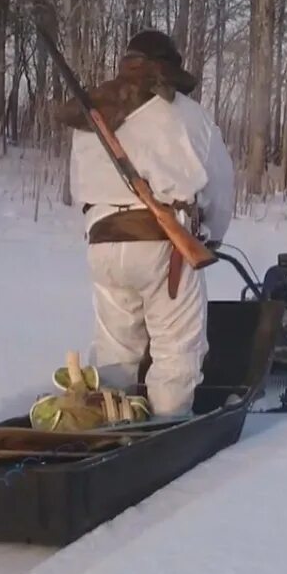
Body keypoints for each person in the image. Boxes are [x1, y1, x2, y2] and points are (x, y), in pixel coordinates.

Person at [53, 29, 235, 420]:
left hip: (101, 242)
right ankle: (165, 434)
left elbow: (78, 188)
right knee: (176, 351)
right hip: (162, 246)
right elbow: (220, 190)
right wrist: (211, 239)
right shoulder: (188, 115)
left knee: (116, 349)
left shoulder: (93, 113)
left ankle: (108, 420)